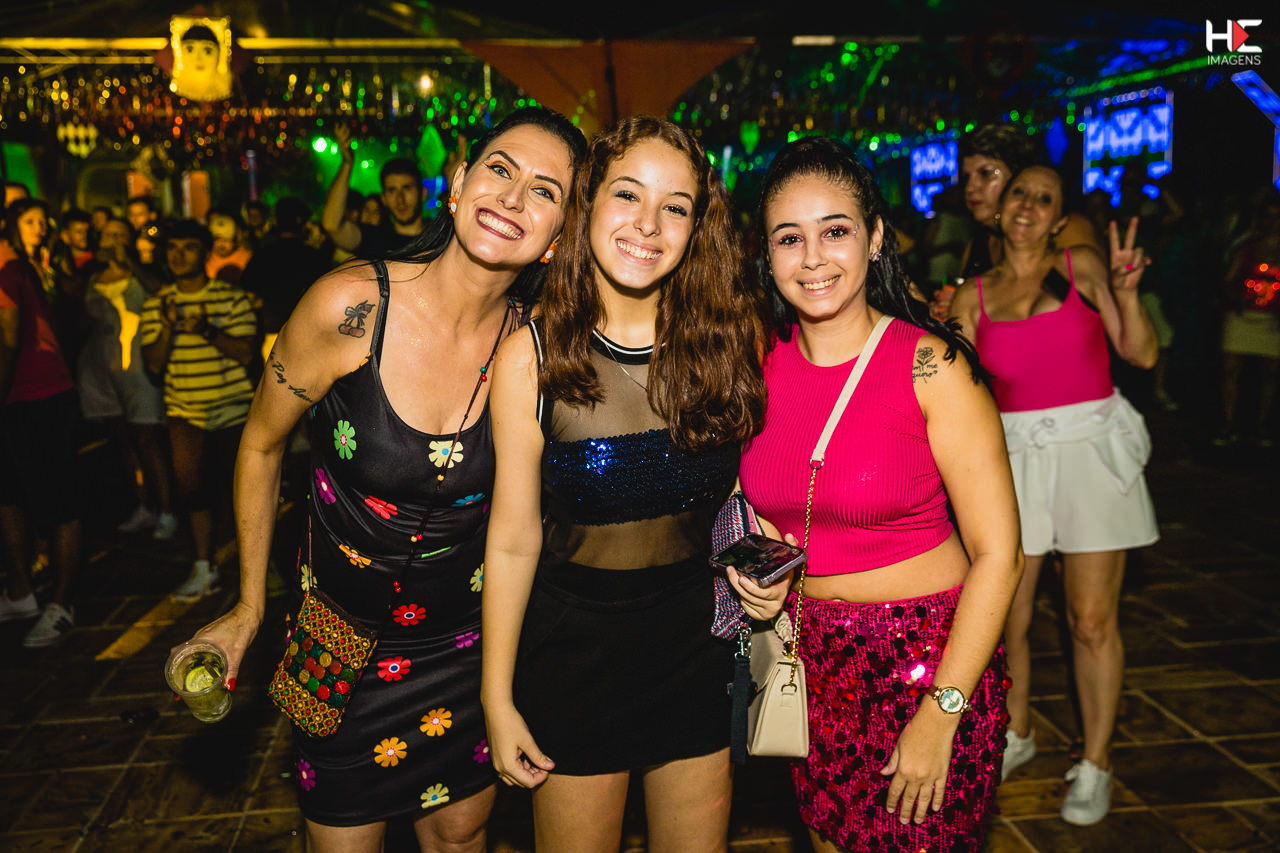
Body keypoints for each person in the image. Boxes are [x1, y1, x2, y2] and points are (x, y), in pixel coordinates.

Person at [188, 106, 586, 853]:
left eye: (545, 190)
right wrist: (248, 606)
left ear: (560, 234)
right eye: (500, 170)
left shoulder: (536, 343)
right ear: (459, 181)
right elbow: (261, 445)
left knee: (461, 832)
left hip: (469, 647)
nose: (512, 197)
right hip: (333, 639)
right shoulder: (350, 306)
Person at [482, 116, 783, 853]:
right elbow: (514, 540)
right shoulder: (531, 358)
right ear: (587, 202)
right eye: (627, 194)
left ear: (697, 227)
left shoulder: (729, 344)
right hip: (572, 657)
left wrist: (764, 562)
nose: (648, 223)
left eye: (675, 206)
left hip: (696, 649)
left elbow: (741, 492)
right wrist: (496, 696)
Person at [738, 137, 1022, 853]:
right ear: (767, 254)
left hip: (929, 659)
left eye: (834, 230)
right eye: (789, 238)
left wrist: (943, 710)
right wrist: (762, 580)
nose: (813, 258)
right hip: (811, 663)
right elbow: (764, 507)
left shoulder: (932, 367)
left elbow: (1001, 555)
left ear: (874, 238)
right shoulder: (753, 367)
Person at [948, 165, 1159, 826]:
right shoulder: (973, 294)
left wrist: (1127, 294)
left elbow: (1141, 354)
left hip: (1089, 448)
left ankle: (1096, 760)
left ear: (1060, 216)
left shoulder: (1082, 266)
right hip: (1011, 458)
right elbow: (956, 391)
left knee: (1090, 619)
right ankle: (1017, 731)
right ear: (1000, 206)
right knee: (1006, 616)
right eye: (1019, 194)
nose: (1028, 207)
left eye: (1045, 199)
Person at [140, 221, 258, 601]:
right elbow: (153, 365)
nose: (178, 255)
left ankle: (258, 570)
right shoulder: (157, 304)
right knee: (193, 492)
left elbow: (247, 353)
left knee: (244, 495)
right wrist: (168, 329)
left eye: (188, 247)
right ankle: (204, 567)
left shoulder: (231, 298)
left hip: (233, 411)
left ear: (205, 253)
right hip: (185, 412)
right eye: (172, 248)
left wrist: (207, 330)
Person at [0, 209, 82, 647]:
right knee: (9, 495)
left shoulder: (7, 265)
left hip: (39, 393)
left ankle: (63, 603)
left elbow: (8, 340)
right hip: (18, 396)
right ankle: (20, 593)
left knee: (57, 499)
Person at [77, 218, 177, 540]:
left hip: (137, 367)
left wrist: (130, 262)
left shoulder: (143, 273)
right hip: (100, 367)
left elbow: (160, 291)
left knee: (147, 438)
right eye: (109, 235)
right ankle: (143, 505)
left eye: (121, 235)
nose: (115, 240)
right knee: (124, 441)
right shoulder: (93, 277)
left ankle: (167, 509)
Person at [957, 125, 1099, 282]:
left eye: (986, 173)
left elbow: (1089, 293)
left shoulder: (1066, 230)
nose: (970, 187)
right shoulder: (976, 247)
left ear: (1018, 175)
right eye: (966, 177)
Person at [1217, 191, 1280, 446]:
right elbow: (1228, 279)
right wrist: (1236, 300)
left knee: (1270, 373)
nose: (1273, 222)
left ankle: (1261, 426)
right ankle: (1228, 423)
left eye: (1278, 217)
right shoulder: (1246, 246)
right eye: (1269, 217)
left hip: (1272, 321)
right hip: (1241, 316)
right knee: (1230, 369)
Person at [322, 123, 428, 256]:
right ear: (383, 199)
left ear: (423, 193)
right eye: (392, 191)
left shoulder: (440, 239)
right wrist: (347, 163)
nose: (400, 199)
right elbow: (332, 225)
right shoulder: (373, 238)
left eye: (407, 188)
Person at [206, 213, 253, 285]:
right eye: (217, 239)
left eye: (227, 239)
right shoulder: (205, 259)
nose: (221, 243)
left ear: (235, 239)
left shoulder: (248, 258)